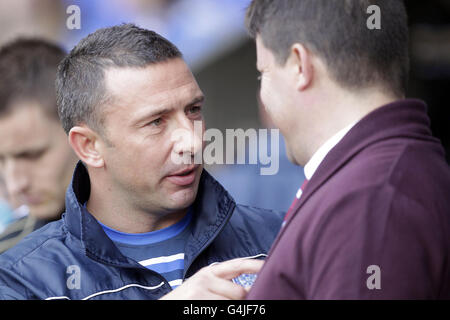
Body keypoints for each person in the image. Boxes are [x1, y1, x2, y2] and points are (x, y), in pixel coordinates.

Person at [0, 24, 283, 300]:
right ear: (89, 146)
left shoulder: (279, 234)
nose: (192, 142)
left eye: (194, 110)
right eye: (156, 122)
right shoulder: (21, 280)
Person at [244, 0, 450, 299]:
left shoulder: (370, 200)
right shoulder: (380, 181)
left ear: (300, 66)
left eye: (263, 72)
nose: (263, 95)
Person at [0, 39, 79, 253]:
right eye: (1, 160)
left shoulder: (172, 214)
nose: (15, 185)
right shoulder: (9, 260)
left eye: (32, 155)